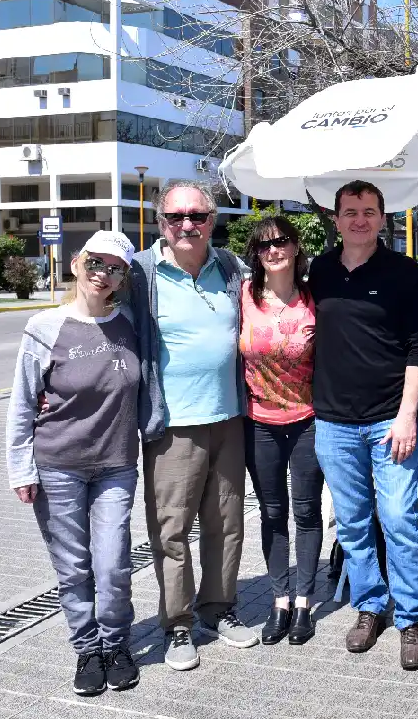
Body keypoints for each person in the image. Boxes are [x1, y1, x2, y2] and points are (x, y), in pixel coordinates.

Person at [129, 180, 259, 672]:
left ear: (212, 220)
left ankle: (219, 609)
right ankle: (177, 624)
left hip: (227, 417)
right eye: (177, 216)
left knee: (226, 525)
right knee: (171, 530)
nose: (188, 224)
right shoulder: (142, 274)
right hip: (172, 426)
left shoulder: (229, 267)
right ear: (161, 221)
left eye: (198, 215)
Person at [7, 232, 141, 697]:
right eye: (95, 262)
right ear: (77, 263)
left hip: (117, 464)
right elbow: (23, 404)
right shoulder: (45, 327)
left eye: (115, 267)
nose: (102, 273)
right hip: (59, 465)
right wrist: (20, 468)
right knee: (73, 566)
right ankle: (87, 650)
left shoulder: (128, 324)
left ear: (124, 278)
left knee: (112, 564)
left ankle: (116, 645)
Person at [308, 180, 418, 670]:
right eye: (350, 211)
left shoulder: (404, 272)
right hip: (334, 424)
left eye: (369, 211)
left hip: (389, 422)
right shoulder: (318, 270)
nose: (360, 219)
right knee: (354, 524)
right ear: (336, 219)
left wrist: (406, 416)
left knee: (400, 521)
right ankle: (369, 607)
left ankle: (412, 619)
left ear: (383, 218)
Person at [240, 216, 322, 645]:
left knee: (306, 511)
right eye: (264, 245)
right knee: (272, 513)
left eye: (281, 242)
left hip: (308, 420)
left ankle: (305, 602)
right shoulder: (243, 297)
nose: (273, 251)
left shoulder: (314, 297)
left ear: (295, 248)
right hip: (259, 423)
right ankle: (279, 601)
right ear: (256, 253)